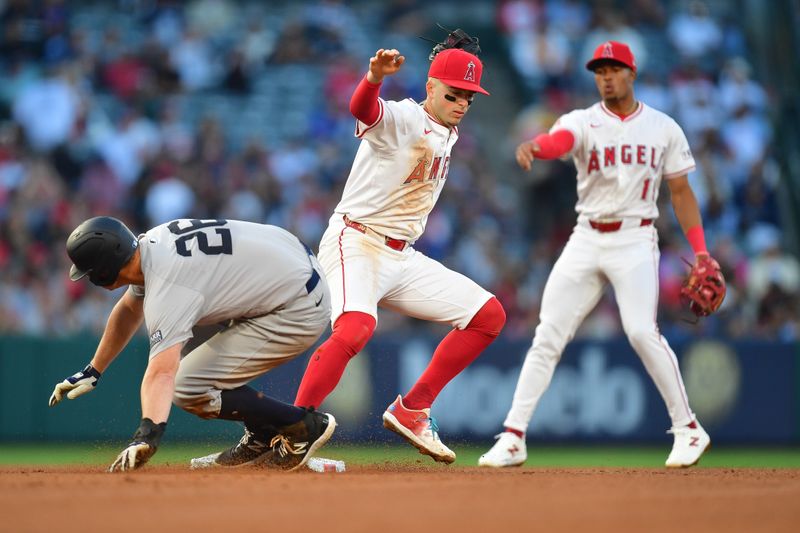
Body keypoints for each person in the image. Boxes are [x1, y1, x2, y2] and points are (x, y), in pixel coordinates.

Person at [480, 41, 716, 469]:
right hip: (587, 237)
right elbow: (560, 140)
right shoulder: (583, 121)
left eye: (614, 68)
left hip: (635, 239)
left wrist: (701, 252)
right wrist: (538, 146)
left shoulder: (663, 128)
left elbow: (680, 193)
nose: (606, 76)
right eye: (599, 70)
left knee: (642, 332)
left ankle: (688, 429)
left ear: (632, 72)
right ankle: (513, 436)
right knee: (547, 333)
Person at [292, 30, 506, 464]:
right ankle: (291, 431)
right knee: (354, 329)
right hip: (357, 239)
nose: (462, 103)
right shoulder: (407, 118)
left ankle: (413, 409)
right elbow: (362, 110)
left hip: (400, 254)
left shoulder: (447, 130)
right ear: (430, 87)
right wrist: (373, 78)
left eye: (470, 97)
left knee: (488, 316)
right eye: (453, 94)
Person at [49, 216, 336, 472]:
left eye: (88, 273)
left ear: (102, 272)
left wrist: (146, 436)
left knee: (187, 386)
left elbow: (161, 373)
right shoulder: (150, 246)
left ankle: (301, 426)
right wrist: (94, 369)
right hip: (292, 263)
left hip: (298, 307)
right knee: (196, 346)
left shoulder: (168, 285)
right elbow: (129, 308)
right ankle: (262, 433)